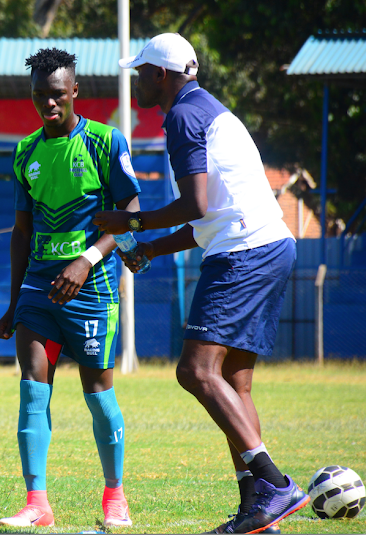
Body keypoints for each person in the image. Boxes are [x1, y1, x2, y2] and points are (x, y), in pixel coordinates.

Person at [94, 33, 309, 534]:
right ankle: (260, 512)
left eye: (141, 71)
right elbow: (208, 219)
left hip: (244, 255)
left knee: (195, 370)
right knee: (234, 382)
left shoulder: (183, 116)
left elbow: (197, 205)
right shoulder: (209, 109)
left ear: (162, 76)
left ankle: (274, 484)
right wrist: (149, 249)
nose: (137, 80)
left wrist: (129, 224)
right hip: (269, 244)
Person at [0, 48, 141, 529]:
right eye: (40, 96)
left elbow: (130, 214)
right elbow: (21, 231)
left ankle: (115, 497)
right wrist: (15, 298)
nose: (48, 105)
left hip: (94, 288)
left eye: (57, 95)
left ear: (75, 91)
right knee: (32, 388)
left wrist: (88, 258)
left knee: (98, 392)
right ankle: (37, 502)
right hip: (39, 286)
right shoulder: (25, 152)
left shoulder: (105, 141)